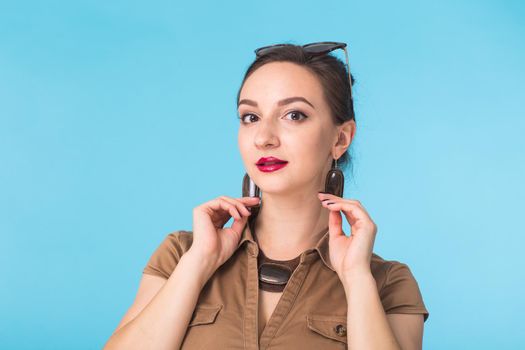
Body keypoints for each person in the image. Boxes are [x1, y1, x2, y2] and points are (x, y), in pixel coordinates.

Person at [104, 41, 429, 350]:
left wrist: (357, 279)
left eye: (294, 115)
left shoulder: (386, 282)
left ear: (341, 138)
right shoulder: (182, 254)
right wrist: (199, 263)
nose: (264, 137)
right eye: (250, 117)